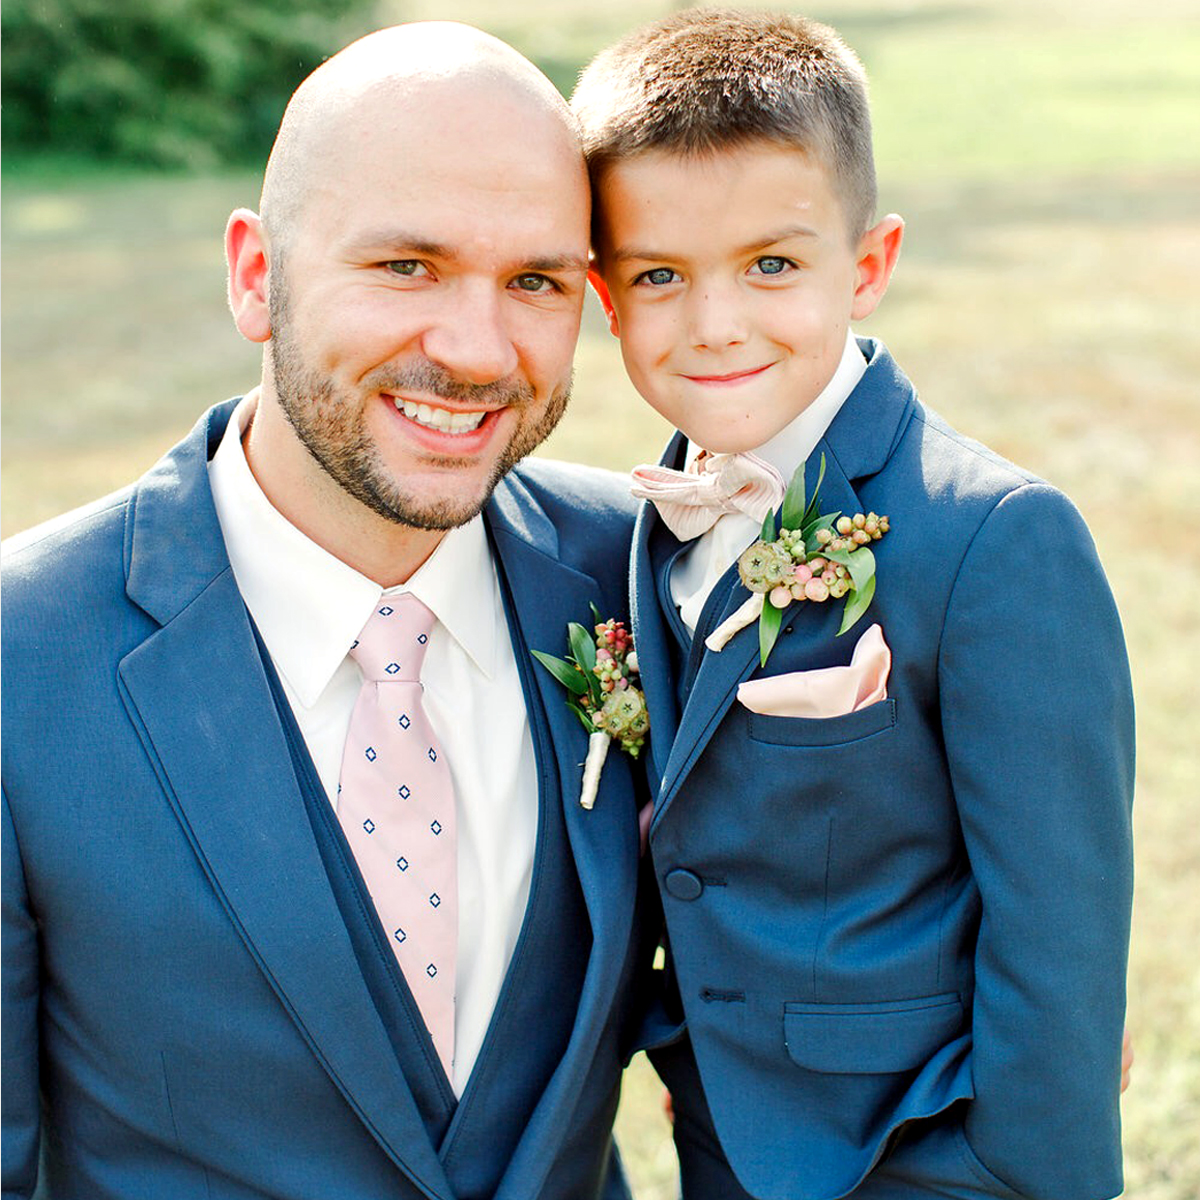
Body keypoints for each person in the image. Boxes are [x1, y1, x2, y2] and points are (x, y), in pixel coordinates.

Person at [1, 23, 651, 1200]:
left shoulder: (645, 576)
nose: (473, 349)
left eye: (536, 282)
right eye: (406, 265)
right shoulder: (20, 659)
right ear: (258, 276)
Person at [573, 10, 1135, 1199]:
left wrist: (1021, 1172)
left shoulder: (992, 539)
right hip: (726, 1137)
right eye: (660, 276)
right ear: (606, 299)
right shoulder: (645, 522)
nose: (715, 323)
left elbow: (1060, 936)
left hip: (926, 1153)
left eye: (772, 264)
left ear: (867, 266)